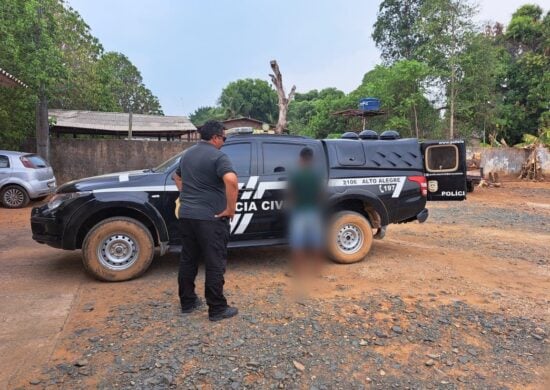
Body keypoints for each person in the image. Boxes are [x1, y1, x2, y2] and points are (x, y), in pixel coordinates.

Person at [172, 120, 239, 322]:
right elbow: (232, 181)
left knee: (188, 259)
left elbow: (176, 177)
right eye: (224, 138)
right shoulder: (218, 156)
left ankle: (188, 302)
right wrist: (230, 208)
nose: (224, 142)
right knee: (214, 262)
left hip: (187, 215)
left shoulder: (188, 154)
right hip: (210, 218)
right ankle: (217, 309)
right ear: (216, 137)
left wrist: (189, 195)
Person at [287, 146, 326, 278]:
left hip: (299, 211)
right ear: (312, 158)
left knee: (298, 243)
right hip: (314, 211)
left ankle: (298, 272)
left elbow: (291, 194)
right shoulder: (317, 174)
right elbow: (321, 194)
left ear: (301, 158)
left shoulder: (296, 173)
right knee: (317, 242)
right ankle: (317, 271)